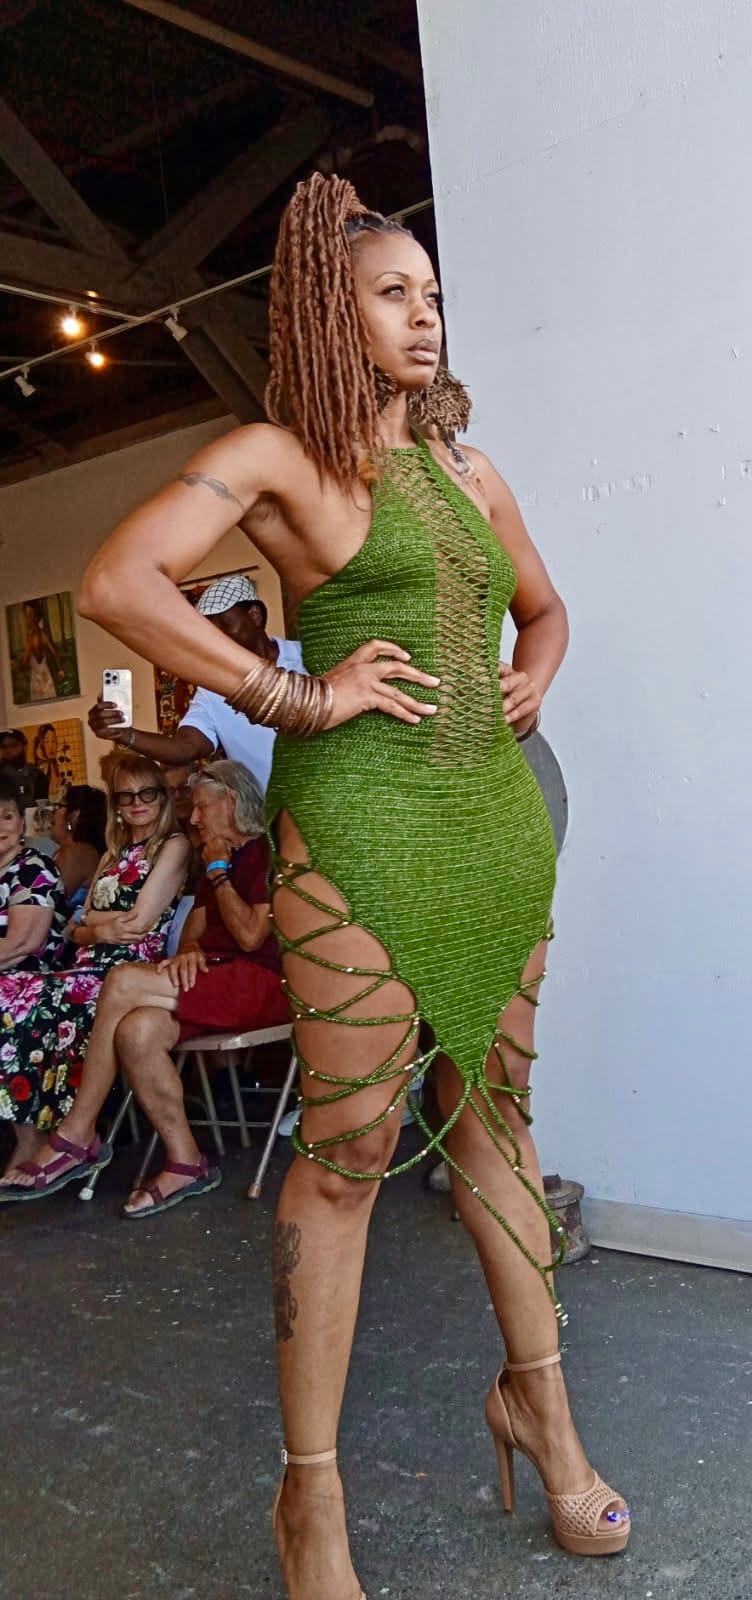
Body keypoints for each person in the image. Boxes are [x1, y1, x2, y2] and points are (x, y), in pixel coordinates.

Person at [78, 173, 629, 1596]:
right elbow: (119, 584)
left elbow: (544, 607)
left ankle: (545, 1419)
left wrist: (533, 673)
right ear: (333, 312)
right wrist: (290, 695)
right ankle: (308, 1500)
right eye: (393, 293)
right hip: (357, 830)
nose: (425, 316)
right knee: (347, 1155)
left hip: (493, 824)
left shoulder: (469, 469)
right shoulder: (277, 460)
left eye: (433, 295)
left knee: (497, 1126)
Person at [8, 761, 289, 1212]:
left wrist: (219, 871)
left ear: (232, 801)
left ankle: (77, 1133)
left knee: (121, 981)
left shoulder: (263, 852)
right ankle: (186, 1161)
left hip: (262, 983)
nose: (194, 817)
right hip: (214, 977)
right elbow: (197, 928)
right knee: (135, 1032)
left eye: (201, 807)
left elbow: (252, 935)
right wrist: (189, 948)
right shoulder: (210, 855)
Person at [0, 753, 190, 1191]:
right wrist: (98, 929)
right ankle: (36, 1131)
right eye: (126, 796)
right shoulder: (112, 854)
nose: (137, 803)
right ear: (116, 804)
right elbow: (73, 927)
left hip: (128, 972)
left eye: (147, 793)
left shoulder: (173, 846)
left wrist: (92, 925)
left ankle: (59, 1136)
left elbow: (139, 924)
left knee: (17, 999)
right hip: (83, 966)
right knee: (11, 992)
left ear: (162, 798)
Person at [87, 577, 303, 795]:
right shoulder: (214, 688)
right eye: (212, 633)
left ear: (255, 615)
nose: (219, 640)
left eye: (225, 625)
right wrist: (124, 734)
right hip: (267, 813)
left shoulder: (305, 658)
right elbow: (185, 747)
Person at [0, 775, 69, 1171]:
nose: (0, 826)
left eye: (7, 816)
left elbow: (23, 944)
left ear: (21, 822)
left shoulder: (33, 869)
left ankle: (30, 1140)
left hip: (34, 979)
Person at [49, 784, 107, 910]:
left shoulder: (78, 854)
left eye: (59, 806)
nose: (53, 811)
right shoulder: (67, 851)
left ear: (74, 815)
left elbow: (51, 902)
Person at [20, 600, 64, 701]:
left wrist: (25, 658)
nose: (27, 619)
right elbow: (54, 653)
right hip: (45, 675)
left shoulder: (32, 638)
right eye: (26, 615)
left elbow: (24, 663)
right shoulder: (42, 634)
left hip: (38, 680)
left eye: (30, 615)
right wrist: (60, 670)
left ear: (35, 617)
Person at [0, 728, 49, 807]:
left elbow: (42, 807)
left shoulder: (36, 775)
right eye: (4, 747)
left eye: (13, 745)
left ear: (24, 746)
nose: (8, 750)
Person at [32, 724, 63, 798]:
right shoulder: (43, 766)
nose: (51, 746)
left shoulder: (53, 764)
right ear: (40, 745)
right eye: (46, 741)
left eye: (54, 741)